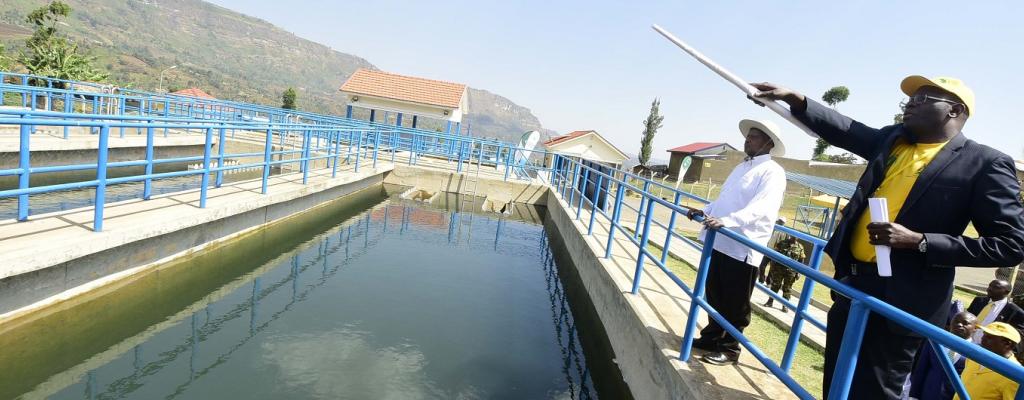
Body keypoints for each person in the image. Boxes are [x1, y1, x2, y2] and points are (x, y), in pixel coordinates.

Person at [751, 76, 1024, 399]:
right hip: (854, 285)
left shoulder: (984, 163)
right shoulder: (893, 141)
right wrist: (798, 101)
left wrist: (920, 240)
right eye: (911, 97)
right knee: (837, 380)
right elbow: (846, 129)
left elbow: (1010, 244)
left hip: (906, 301)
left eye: (923, 98)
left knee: (876, 390)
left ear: (954, 111)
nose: (910, 103)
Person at [685, 119, 787, 365]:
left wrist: (728, 221)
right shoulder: (741, 167)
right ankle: (711, 336)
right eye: (748, 136)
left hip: (743, 246)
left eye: (754, 137)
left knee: (735, 302)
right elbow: (724, 200)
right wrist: (704, 210)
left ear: (768, 143)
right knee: (715, 293)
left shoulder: (772, 172)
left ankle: (730, 348)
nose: (747, 140)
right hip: (720, 240)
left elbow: (762, 208)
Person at [908, 311, 977, 400]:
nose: (959, 325)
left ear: (975, 328)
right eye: (956, 321)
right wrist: (913, 395)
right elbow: (921, 369)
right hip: (927, 394)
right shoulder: (935, 341)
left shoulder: (976, 353)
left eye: (965, 323)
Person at [955, 322, 1022, 400]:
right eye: (984, 335)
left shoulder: (1015, 376)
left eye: (989, 337)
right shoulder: (975, 356)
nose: (982, 339)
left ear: (1007, 344)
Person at [762, 220, 807, 312]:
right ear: (790, 234)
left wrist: (799, 272)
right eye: (793, 235)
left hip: (791, 272)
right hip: (778, 269)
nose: (794, 237)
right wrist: (772, 267)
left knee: (787, 288)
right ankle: (770, 301)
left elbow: (801, 260)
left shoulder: (800, 247)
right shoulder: (782, 243)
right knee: (775, 286)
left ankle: (785, 305)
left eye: (796, 236)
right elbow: (774, 255)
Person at [967, 280, 1024, 344]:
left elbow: (1018, 339)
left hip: (988, 349)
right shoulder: (978, 301)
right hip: (965, 341)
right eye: (989, 286)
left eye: (995, 287)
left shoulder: (1016, 312)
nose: (989, 289)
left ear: (1006, 292)